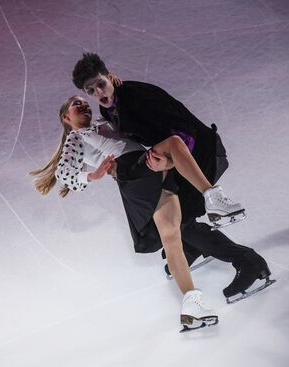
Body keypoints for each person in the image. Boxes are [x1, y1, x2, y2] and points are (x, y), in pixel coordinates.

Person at [71, 53, 274, 304]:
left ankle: (249, 262)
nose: (99, 92)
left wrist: (167, 161)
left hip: (200, 153)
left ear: (110, 75)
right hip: (179, 159)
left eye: (101, 83)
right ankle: (195, 247)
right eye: (91, 90)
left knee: (179, 221)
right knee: (172, 219)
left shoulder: (136, 98)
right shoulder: (109, 105)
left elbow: (183, 133)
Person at [30, 96, 242, 330]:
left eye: (83, 102)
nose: (82, 105)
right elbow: (64, 173)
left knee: (171, 238)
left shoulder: (103, 121)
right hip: (133, 171)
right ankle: (212, 198)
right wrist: (93, 175)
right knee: (173, 144)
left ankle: (191, 307)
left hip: (147, 168)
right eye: (75, 104)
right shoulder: (75, 138)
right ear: (66, 117)